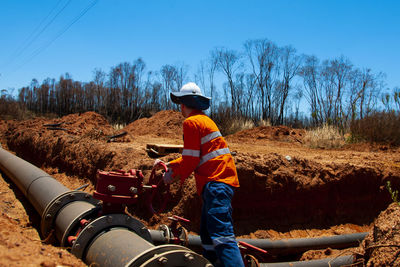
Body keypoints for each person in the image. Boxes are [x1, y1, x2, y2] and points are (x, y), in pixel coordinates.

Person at [155, 82, 244, 267]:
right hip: (219, 182)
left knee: (222, 236)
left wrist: (171, 174)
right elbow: (194, 156)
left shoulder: (191, 122)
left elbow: (190, 160)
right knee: (207, 233)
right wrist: (170, 165)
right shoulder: (204, 120)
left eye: (180, 103)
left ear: (183, 104)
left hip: (216, 183)